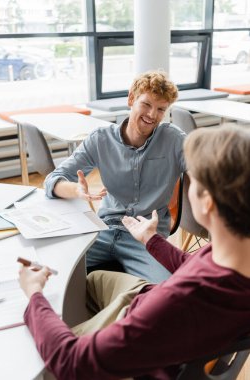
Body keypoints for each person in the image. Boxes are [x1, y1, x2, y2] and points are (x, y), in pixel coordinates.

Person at [19, 125, 250, 380]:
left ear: (207, 202)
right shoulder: (234, 252)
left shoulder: (180, 303)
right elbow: (194, 264)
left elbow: (72, 361)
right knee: (91, 281)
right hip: (152, 302)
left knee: (33, 346)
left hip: (143, 336)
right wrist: (151, 240)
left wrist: (34, 296)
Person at [44, 70, 185, 283]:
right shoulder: (101, 139)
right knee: (53, 273)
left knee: (168, 295)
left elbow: (206, 171)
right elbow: (54, 179)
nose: (152, 115)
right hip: (103, 230)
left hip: (146, 237)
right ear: (131, 99)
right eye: (146, 104)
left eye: (160, 109)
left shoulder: (173, 139)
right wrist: (76, 190)